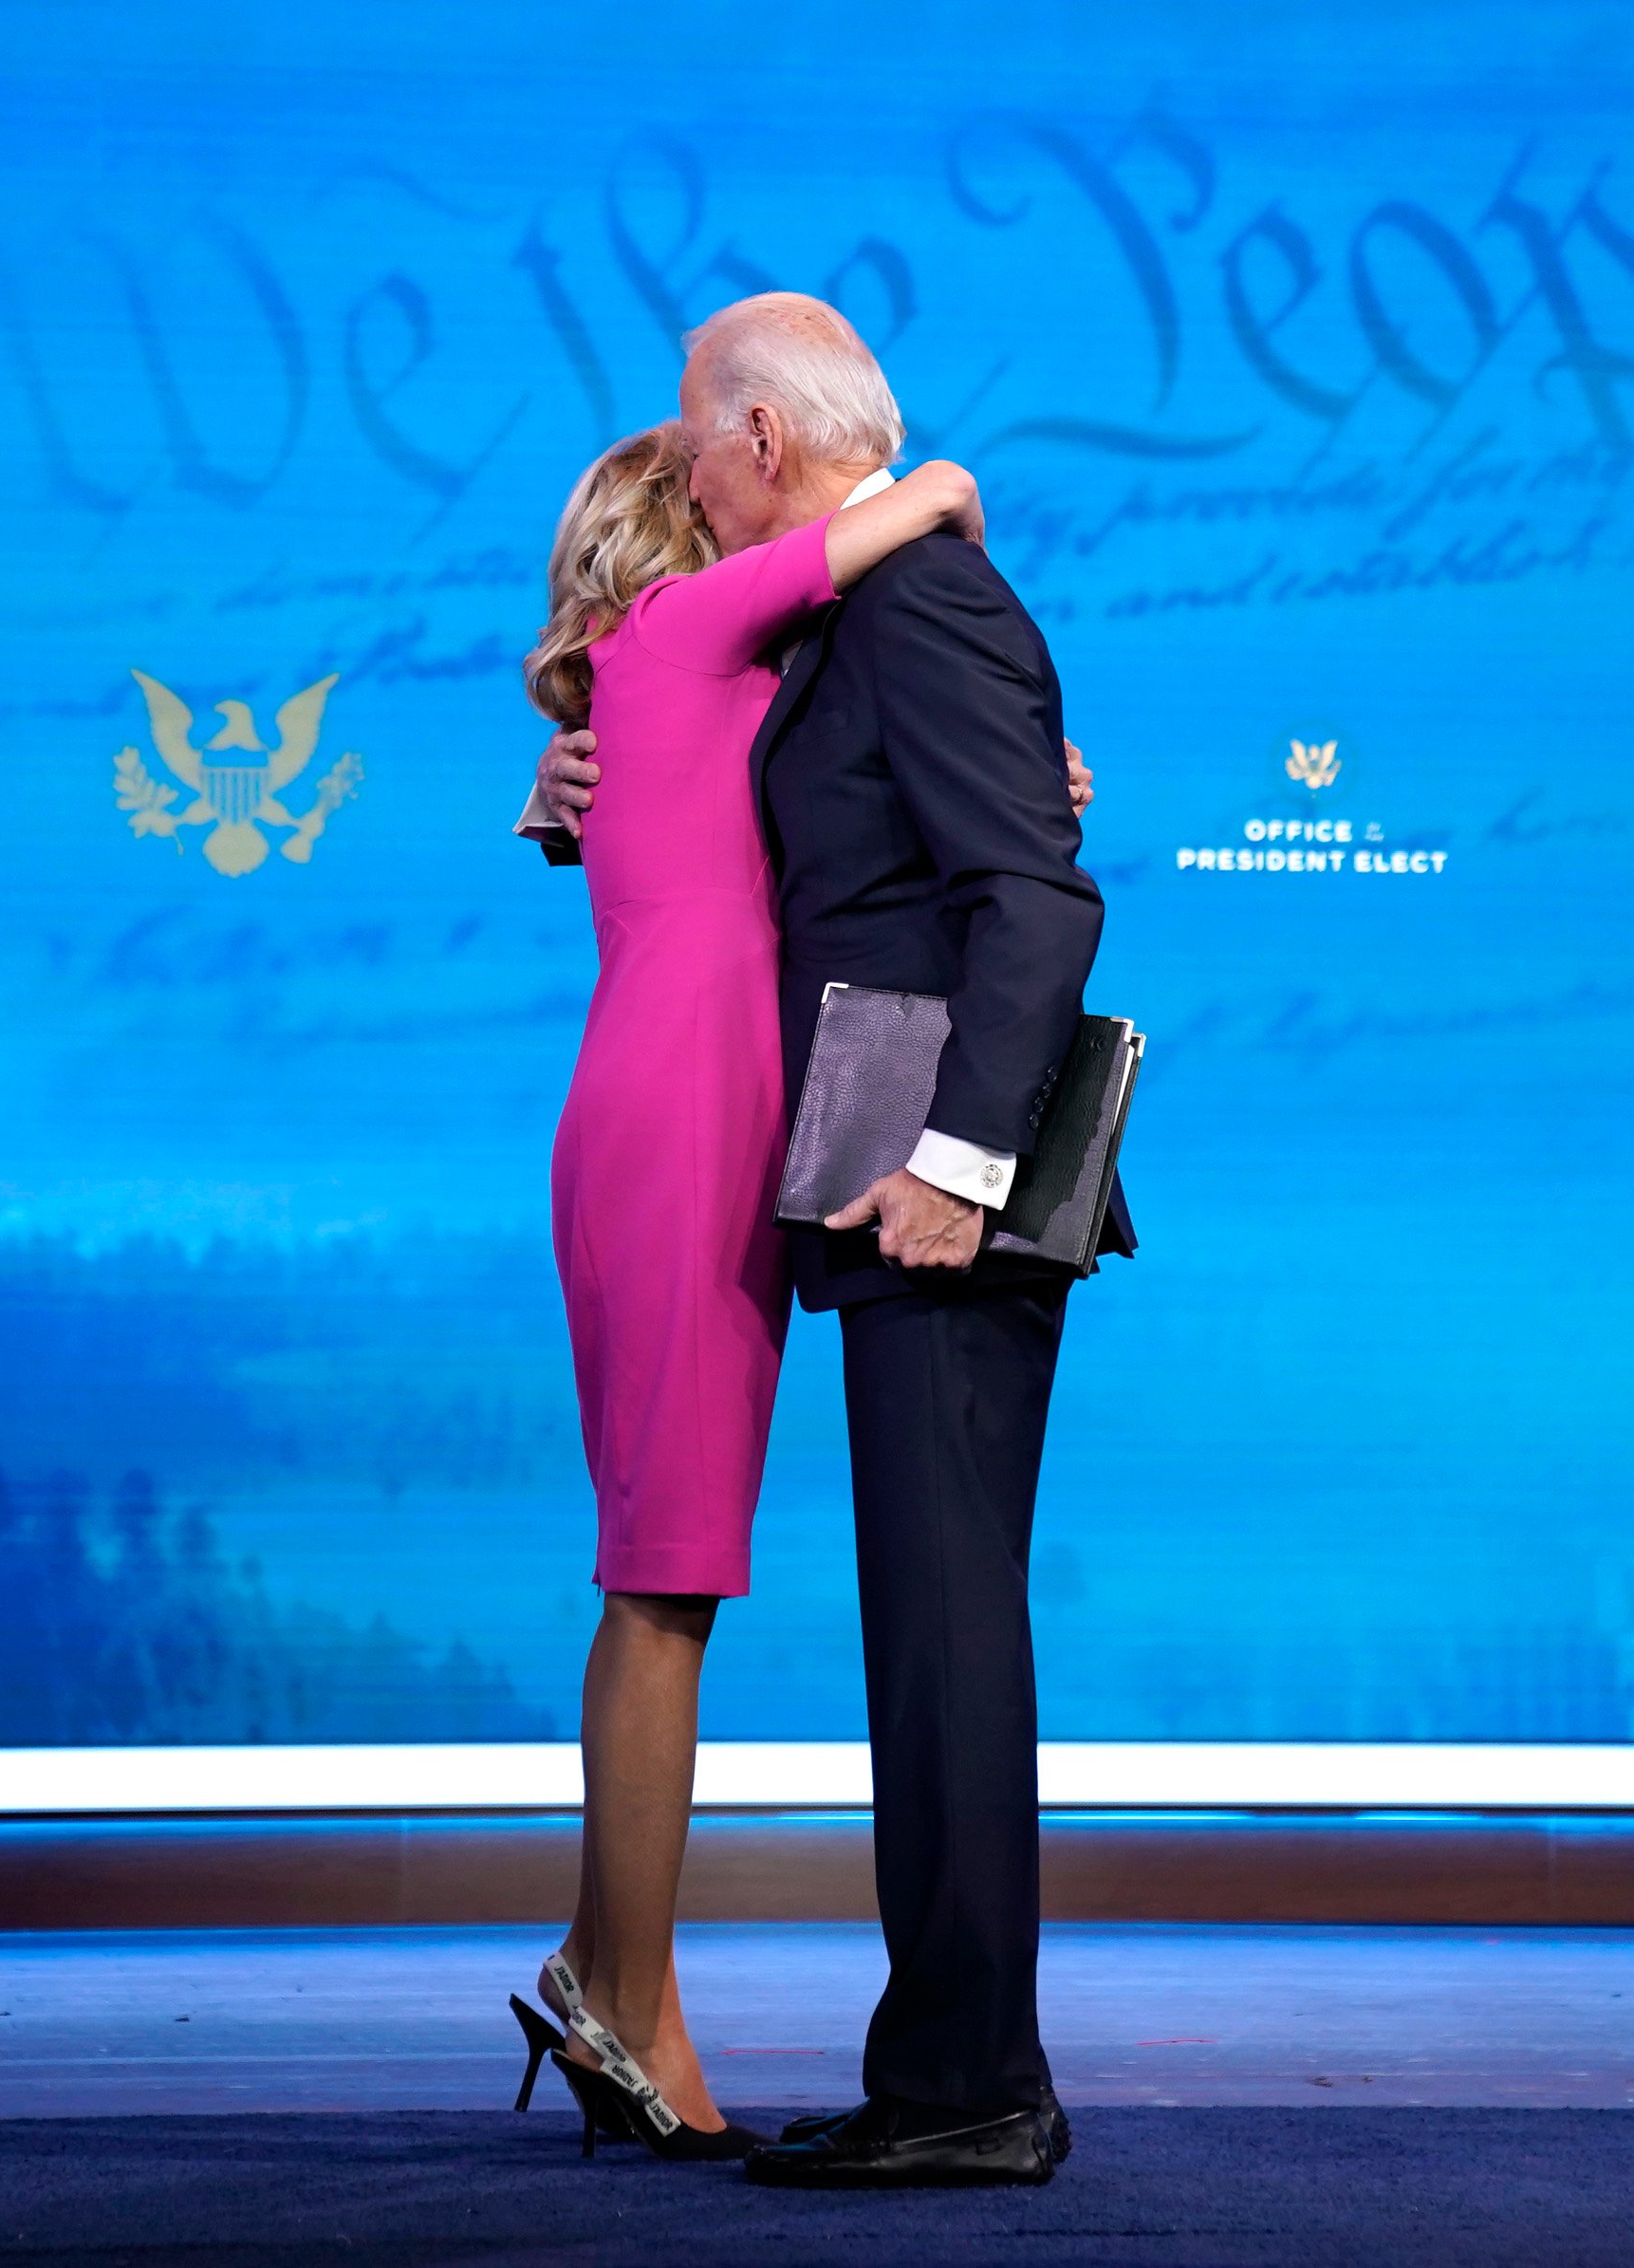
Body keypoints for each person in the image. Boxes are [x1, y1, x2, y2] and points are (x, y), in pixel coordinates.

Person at [524, 292, 1126, 2189]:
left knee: (947, 1624)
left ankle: (968, 2083)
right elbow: (755, 835)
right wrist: (570, 801)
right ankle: (946, 2066)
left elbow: (1032, 898)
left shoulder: (917, 593)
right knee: (925, 1626)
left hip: (940, 1177)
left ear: (765, 440)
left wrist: (956, 1159)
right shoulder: (834, 622)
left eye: (698, 440)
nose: (686, 480)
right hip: (869, 1167)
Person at [506, 418, 995, 2161]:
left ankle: (623, 1989)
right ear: (679, 538)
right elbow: (824, 558)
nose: (748, 501)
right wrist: (934, 491)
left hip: (702, 1127)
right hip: (682, 1140)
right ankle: (604, 1986)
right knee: (665, 1575)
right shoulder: (683, 639)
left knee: (671, 1576)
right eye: (715, 492)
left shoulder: (698, 695)